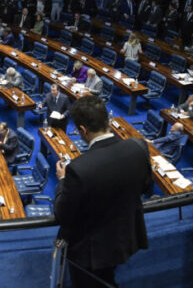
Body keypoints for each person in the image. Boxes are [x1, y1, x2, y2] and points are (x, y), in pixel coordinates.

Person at [54, 95, 152, 287]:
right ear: (107, 121)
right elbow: (146, 187)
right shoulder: (139, 147)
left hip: (91, 252)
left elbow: (61, 214)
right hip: (125, 237)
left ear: (83, 130)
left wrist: (63, 180)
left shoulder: (79, 169)